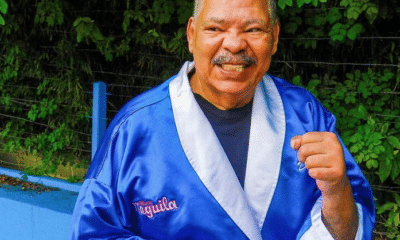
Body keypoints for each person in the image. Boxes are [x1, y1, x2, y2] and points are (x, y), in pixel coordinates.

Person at [70, 0, 375, 239]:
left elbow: (349, 229)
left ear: (275, 37)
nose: (234, 45)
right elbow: (93, 232)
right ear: (192, 35)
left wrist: (336, 190)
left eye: (253, 29)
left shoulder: (306, 115)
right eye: (215, 29)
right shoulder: (134, 130)